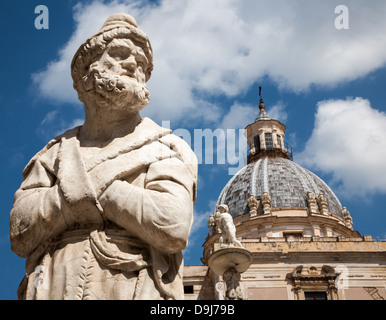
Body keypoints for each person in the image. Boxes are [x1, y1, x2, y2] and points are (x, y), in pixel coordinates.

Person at [10, 13, 197, 300]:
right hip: (54, 284)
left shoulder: (167, 147)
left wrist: (82, 190)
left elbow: (171, 225)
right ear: (87, 71)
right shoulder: (53, 153)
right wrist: (102, 196)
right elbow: (20, 232)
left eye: (143, 64)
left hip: (133, 285)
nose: (134, 65)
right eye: (120, 54)